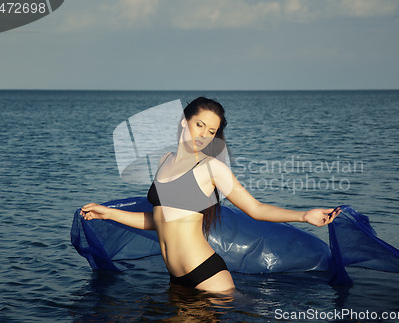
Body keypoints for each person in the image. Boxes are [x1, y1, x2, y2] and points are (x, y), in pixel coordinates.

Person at [80, 97, 341, 293]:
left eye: (211, 131)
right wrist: (109, 213)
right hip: (176, 280)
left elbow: (255, 209)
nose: (204, 135)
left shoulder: (211, 167)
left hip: (206, 276)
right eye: (199, 125)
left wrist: (304, 216)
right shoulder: (164, 161)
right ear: (185, 121)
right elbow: (160, 222)